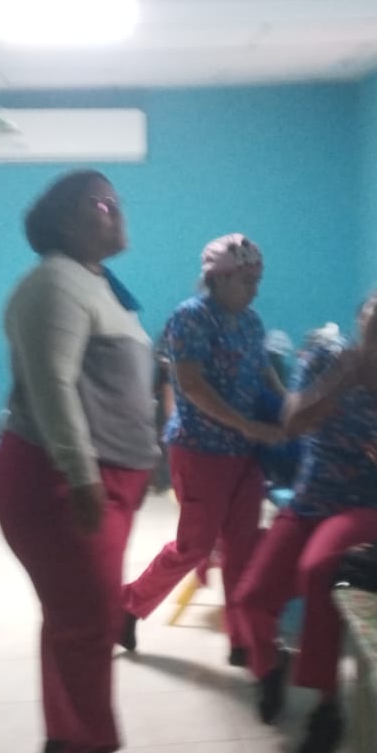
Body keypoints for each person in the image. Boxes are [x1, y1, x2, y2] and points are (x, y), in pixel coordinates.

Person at [232, 277, 377, 753]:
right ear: (361, 315)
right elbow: (293, 423)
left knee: (317, 569)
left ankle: (328, 710)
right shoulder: (322, 360)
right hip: (313, 500)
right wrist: (343, 376)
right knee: (251, 597)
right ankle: (271, 668)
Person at [0, 170, 160, 753]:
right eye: (100, 202)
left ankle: (64, 736)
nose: (116, 210)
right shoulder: (56, 283)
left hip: (101, 478)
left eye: (117, 199)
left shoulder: (94, 283)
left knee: (71, 616)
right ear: (64, 220)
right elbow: (52, 387)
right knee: (91, 622)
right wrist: (83, 476)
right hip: (61, 480)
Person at [119, 234, 286, 666]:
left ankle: (242, 640)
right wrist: (246, 424)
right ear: (220, 277)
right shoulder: (190, 318)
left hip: (245, 454)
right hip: (201, 451)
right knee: (195, 546)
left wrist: (289, 406)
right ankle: (128, 605)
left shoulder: (251, 321)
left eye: (257, 281)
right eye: (247, 281)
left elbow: (264, 371)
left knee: (242, 548)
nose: (255, 290)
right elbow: (192, 386)